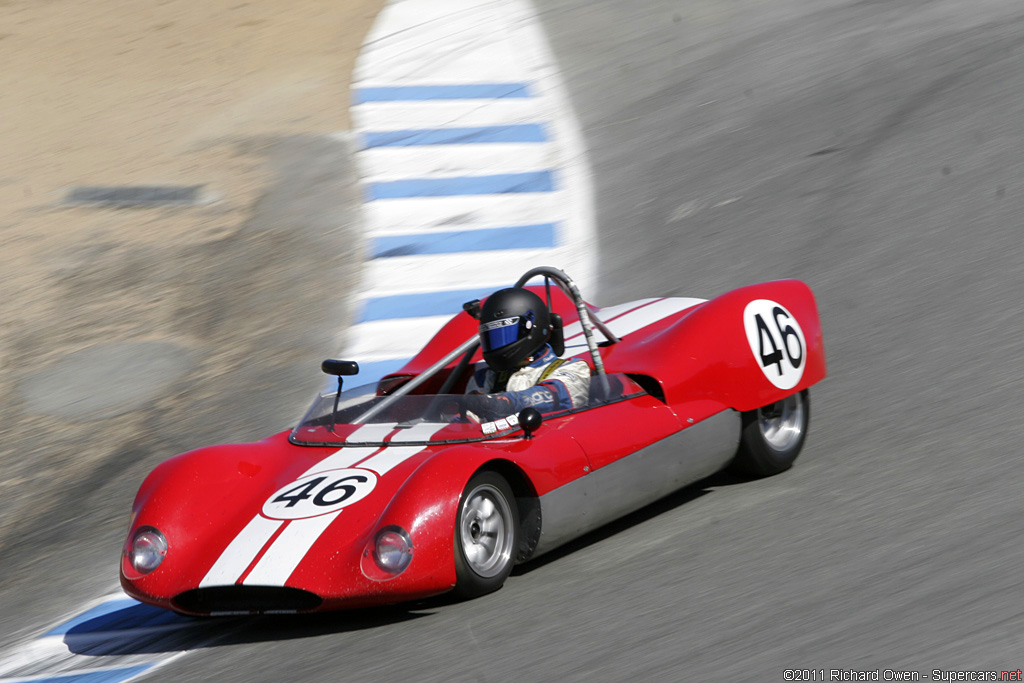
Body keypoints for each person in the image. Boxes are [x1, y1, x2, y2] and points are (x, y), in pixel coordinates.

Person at [463, 287, 590, 421]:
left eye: (505, 335)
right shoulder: (487, 377)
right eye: (493, 337)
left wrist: (503, 402)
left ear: (532, 328)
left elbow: (555, 395)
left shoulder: (574, 369)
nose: (498, 343)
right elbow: (468, 422)